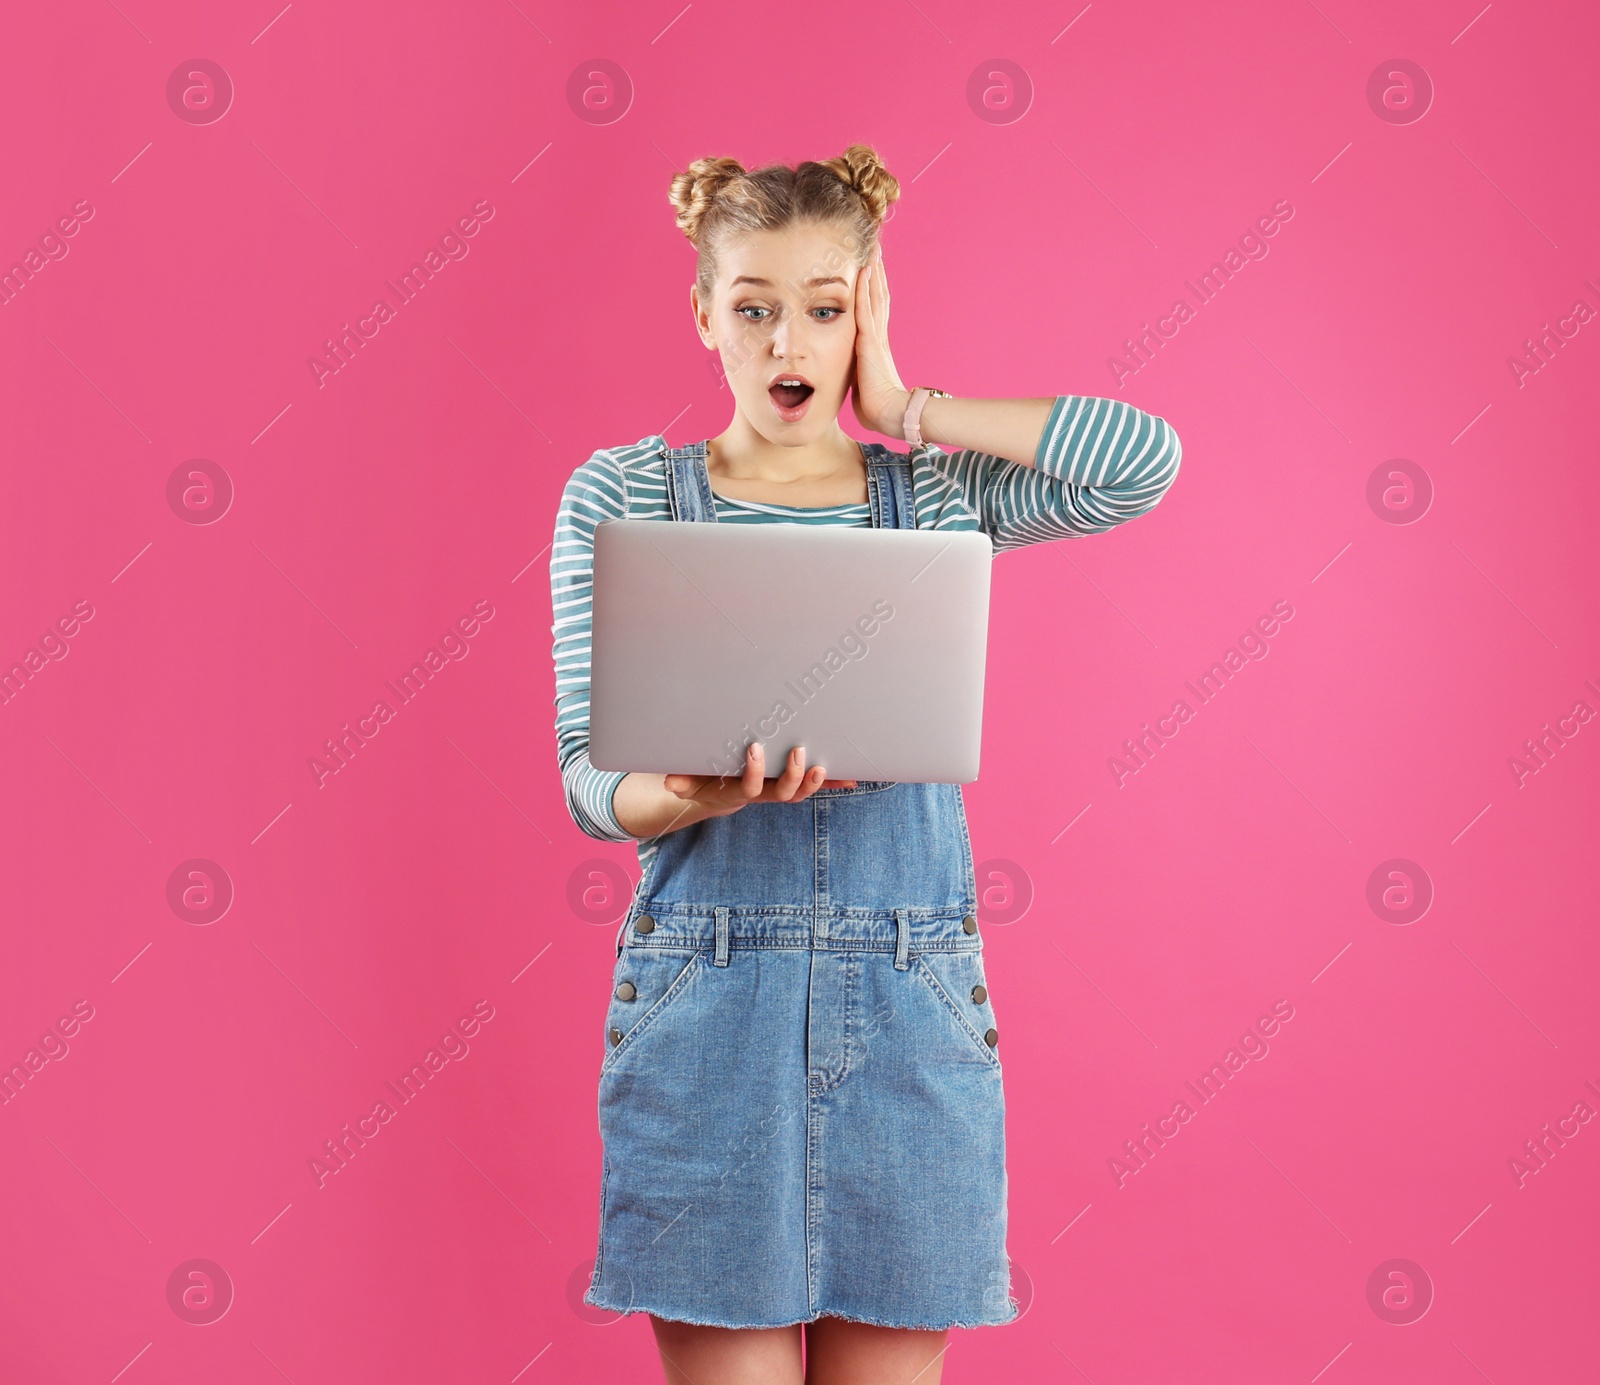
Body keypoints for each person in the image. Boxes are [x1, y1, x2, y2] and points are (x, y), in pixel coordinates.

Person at [549, 144, 1182, 1385]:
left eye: (826, 308)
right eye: (755, 306)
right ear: (703, 314)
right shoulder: (624, 491)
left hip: (909, 1001)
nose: (790, 341)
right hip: (706, 1003)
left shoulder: (939, 496)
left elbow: (1140, 461)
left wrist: (905, 408)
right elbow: (583, 779)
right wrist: (686, 795)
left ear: (866, 313)